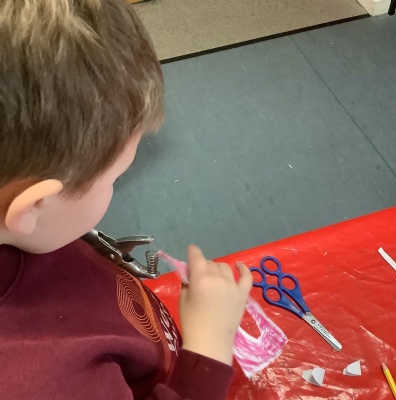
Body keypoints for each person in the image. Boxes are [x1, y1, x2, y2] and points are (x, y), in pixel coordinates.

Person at [0, 1, 252, 399]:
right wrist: (210, 344)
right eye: (115, 178)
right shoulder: (45, 385)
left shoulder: (32, 228)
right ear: (34, 206)